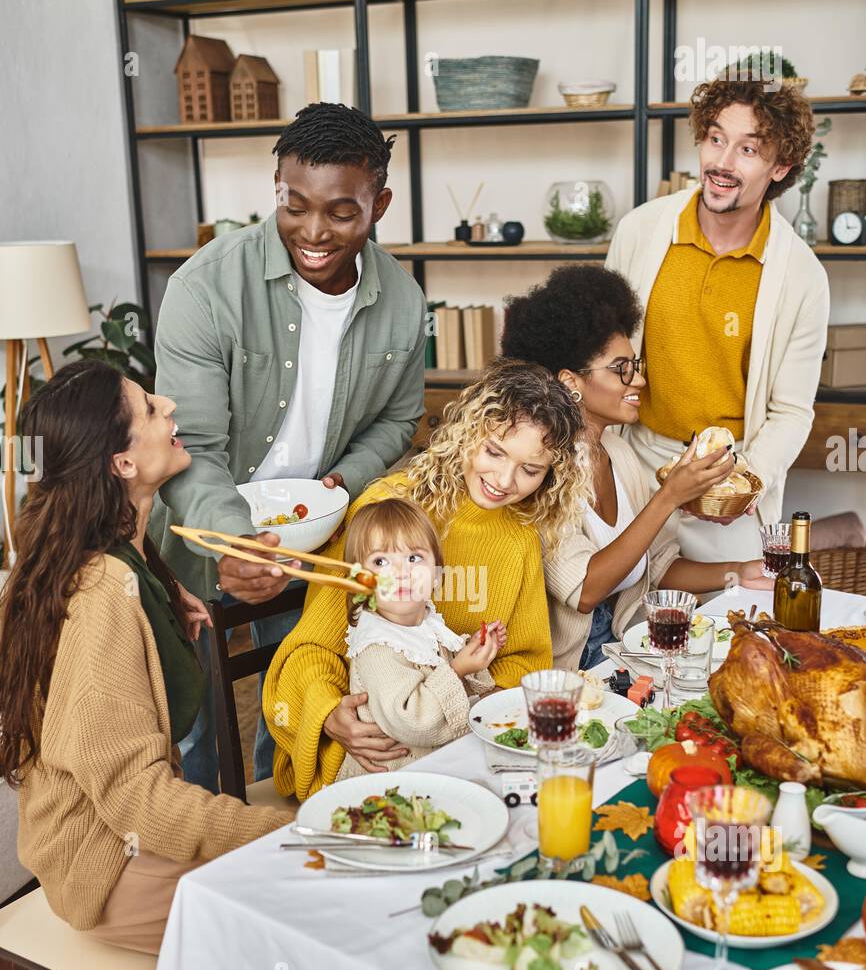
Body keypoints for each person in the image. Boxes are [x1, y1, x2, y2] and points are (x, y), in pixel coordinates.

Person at [149, 102, 429, 791]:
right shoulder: (206, 289)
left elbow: (399, 421)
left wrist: (344, 480)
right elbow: (194, 449)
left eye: (340, 211)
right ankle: (206, 871)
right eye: (293, 205)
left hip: (315, 538)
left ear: (379, 202)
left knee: (296, 702)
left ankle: (291, 826)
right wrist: (239, 543)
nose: (312, 231)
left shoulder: (401, 300)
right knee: (194, 732)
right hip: (200, 535)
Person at [0, 361, 290, 955]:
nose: (170, 406)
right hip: (105, 864)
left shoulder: (115, 552)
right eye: (151, 409)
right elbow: (141, 802)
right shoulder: (102, 595)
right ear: (122, 465)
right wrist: (286, 832)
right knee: (305, 910)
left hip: (122, 832)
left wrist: (159, 600)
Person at [262, 358, 592, 798]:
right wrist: (328, 714)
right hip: (370, 757)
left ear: (551, 475)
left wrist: (464, 701)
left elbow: (524, 661)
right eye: (494, 451)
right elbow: (313, 647)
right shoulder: (386, 510)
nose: (504, 480)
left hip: (461, 745)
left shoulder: (520, 537)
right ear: (468, 431)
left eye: (530, 470)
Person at [605, 73, 829, 561]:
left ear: (780, 167)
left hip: (728, 482)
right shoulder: (640, 231)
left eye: (748, 150)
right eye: (715, 140)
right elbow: (599, 353)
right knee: (622, 625)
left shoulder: (802, 276)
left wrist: (743, 480)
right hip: (633, 465)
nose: (722, 164)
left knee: (724, 624)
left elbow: (791, 411)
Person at [501, 265, 771, 669]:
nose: (639, 381)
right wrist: (669, 498)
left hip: (624, 649)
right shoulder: (540, 469)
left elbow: (657, 564)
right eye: (621, 368)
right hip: (572, 669)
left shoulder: (618, 453)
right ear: (570, 381)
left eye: (636, 366)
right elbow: (585, 590)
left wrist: (738, 571)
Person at [336, 497, 504, 780]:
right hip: (393, 785)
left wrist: (472, 652)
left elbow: (451, 684)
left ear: (437, 574)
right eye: (380, 561)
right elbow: (413, 721)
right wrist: (458, 668)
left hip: (435, 770)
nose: (401, 573)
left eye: (413, 558)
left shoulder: (426, 623)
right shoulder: (377, 647)